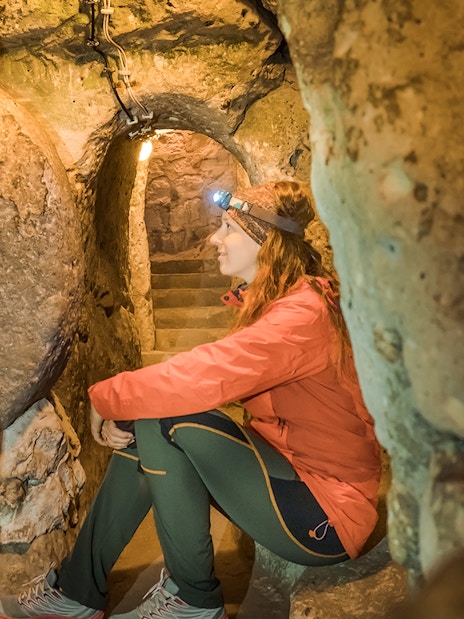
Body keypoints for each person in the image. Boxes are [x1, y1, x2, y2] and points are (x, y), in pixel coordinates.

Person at [0, 181, 381, 619]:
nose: (214, 239)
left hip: (326, 514)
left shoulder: (301, 316)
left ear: (266, 241)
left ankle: (194, 600)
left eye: (227, 228)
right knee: (146, 424)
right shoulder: (280, 303)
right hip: (290, 471)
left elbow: (204, 375)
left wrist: (106, 397)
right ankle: (77, 591)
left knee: (166, 416)